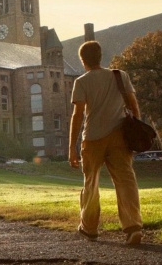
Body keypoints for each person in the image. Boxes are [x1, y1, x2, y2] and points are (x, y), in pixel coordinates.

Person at [68, 40, 143, 245]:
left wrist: (72, 148)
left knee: (91, 183)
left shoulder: (81, 81)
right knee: (126, 181)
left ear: (83, 60)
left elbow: (77, 116)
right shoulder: (120, 76)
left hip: (92, 138)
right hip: (119, 136)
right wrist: (135, 133)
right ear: (101, 56)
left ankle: (90, 228)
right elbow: (133, 106)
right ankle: (133, 226)